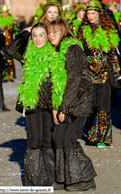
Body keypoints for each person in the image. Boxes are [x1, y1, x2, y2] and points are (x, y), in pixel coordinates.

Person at [47, 19, 97, 192]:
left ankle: (85, 177)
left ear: (64, 32)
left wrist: (64, 108)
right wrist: (55, 106)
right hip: (65, 103)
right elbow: (56, 84)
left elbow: (74, 81)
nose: (51, 35)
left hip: (78, 102)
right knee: (58, 138)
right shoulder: (55, 51)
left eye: (55, 32)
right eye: (49, 32)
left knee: (68, 138)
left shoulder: (72, 49)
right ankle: (64, 177)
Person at [17, 22, 67, 186]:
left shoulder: (54, 53)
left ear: (48, 37)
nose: (38, 39)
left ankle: (48, 177)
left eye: (41, 35)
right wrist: (26, 33)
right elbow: (10, 49)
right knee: (33, 140)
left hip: (48, 105)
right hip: (32, 103)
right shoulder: (27, 54)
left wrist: (57, 107)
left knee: (47, 140)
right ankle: (34, 179)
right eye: (35, 36)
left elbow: (59, 82)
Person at [78, 0, 121, 148]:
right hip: (88, 73)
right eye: (88, 13)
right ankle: (91, 132)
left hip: (104, 74)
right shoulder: (82, 31)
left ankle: (101, 137)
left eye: (93, 13)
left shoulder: (108, 30)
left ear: (99, 14)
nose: (90, 16)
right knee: (92, 104)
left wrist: (117, 73)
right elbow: (78, 52)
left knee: (103, 105)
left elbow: (113, 55)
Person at [0, 4, 18, 81]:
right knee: (4, 58)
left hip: (10, 43)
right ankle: (5, 75)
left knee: (9, 59)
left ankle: (11, 74)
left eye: (5, 13)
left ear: (8, 13)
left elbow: (16, 30)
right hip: (1, 43)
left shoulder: (11, 20)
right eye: (2, 12)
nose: (3, 14)